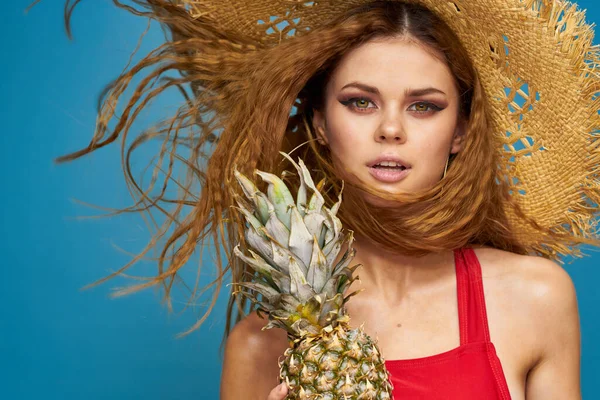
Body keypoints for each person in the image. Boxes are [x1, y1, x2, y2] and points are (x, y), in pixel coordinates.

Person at [48, 0, 600, 399]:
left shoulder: (534, 297)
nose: (390, 129)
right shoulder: (258, 347)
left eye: (424, 106)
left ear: (460, 132)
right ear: (318, 120)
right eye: (360, 103)